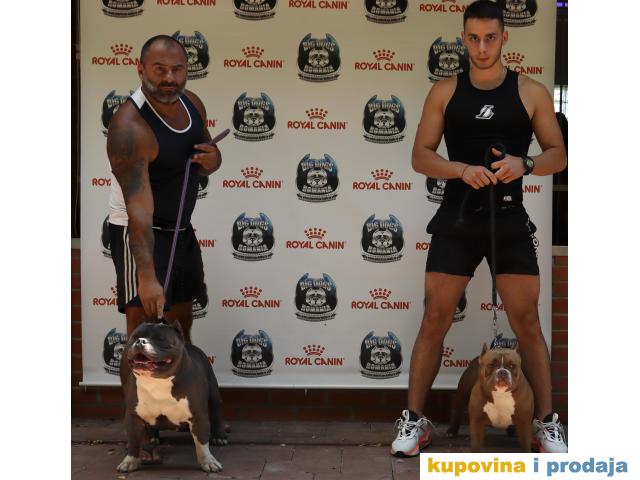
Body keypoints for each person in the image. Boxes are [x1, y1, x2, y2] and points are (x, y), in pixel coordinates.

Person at [390, 0, 567, 456]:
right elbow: (420, 156)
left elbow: (558, 154)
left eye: (490, 38)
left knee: (527, 322)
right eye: (473, 38)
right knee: (435, 317)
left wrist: (525, 163)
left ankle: (546, 423)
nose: (482, 47)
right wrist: (460, 170)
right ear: (463, 38)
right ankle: (415, 422)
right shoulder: (445, 91)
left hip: (509, 220)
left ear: (504, 37)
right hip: (457, 218)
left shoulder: (531, 91)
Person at [107, 35, 222, 344]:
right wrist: (146, 277)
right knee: (143, 332)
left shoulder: (192, 103)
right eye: (160, 69)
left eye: (177, 69)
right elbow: (139, 213)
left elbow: (207, 159)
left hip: (180, 229)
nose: (170, 77)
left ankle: (180, 379)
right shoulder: (129, 127)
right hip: (139, 230)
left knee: (181, 324)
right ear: (140, 69)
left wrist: (214, 159)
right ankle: (139, 383)